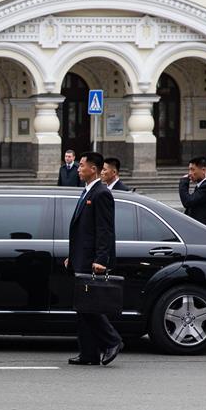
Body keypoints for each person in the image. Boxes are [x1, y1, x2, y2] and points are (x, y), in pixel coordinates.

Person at [65, 151, 123, 367]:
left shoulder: (101, 193)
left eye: (82, 166)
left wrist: (101, 259)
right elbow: (82, 230)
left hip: (92, 260)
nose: (78, 169)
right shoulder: (87, 191)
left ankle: (113, 340)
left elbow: (104, 230)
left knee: (89, 306)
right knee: (83, 307)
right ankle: (88, 353)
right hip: (81, 257)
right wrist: (72, 256)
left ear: (93, 169)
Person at [178, 156, 206, 231]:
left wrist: (183, 182)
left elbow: (188, 202)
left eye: (193, 170)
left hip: (205, 233)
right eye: (189, 170)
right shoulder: (202, 185)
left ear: (203, 170)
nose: (190, 173)